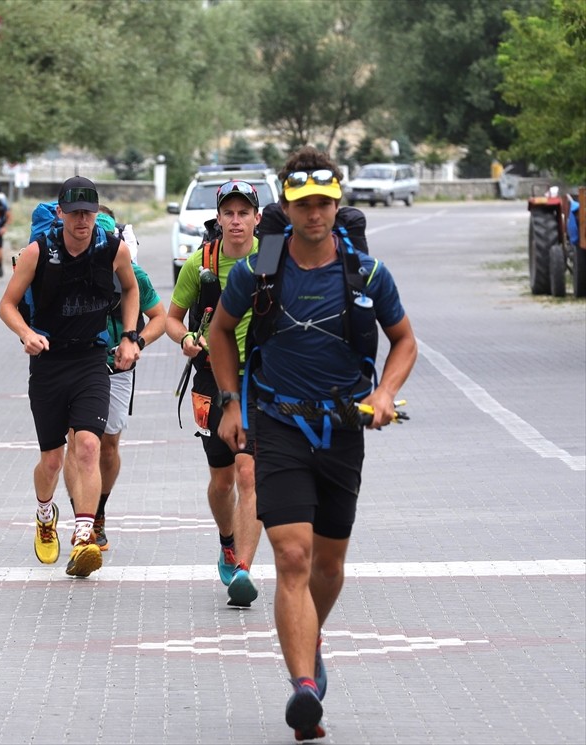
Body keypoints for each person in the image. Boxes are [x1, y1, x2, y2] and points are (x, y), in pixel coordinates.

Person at [208, 147, 417, 740]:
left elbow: (404, 341)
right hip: (276, 424)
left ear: (337, 202)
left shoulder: (367, 275)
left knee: (328, 564)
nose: (315, 213)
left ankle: (310, 637)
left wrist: (385, 393)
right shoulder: (259, 271)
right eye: (304, 204)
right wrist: (231, 403)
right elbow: (221, 331)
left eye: (324, 202)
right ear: (288, 206)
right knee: (293, 556)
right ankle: (304, 690)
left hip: (344, 428)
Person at [0, 176, 140, 578]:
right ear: (60, 213)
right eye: (75, 213)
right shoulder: (38, 252)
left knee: (90, 445)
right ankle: (45, 514)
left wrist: (130, 336)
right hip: (48, 362)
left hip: (92, 359)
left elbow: (131, 290)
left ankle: (83, 536)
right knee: (52, 460)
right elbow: (7, 304)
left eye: (88, 213)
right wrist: (26, 333)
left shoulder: (112, 248)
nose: (82, 221)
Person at [165, 180, 264, 608]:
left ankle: (243, 568)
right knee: (222, 481)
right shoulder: (200, 263)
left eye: (244, 213)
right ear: (219, 219)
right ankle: (227, 542)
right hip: (210, 377)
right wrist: (186, 338)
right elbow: (171, 319)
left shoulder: (272, 258)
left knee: (248, 473)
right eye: (229, 213)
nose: (236, 221)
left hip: (258, 378)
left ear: (257, 218)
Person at [63, 207, 165, 552]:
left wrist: (135, 342)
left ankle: (99, 511)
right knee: (79, 443)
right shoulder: (64, 265)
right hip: (75, 364)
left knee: (107, 445)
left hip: (116, 367)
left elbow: (160, 317)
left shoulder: (132, 272)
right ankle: (83, 521)